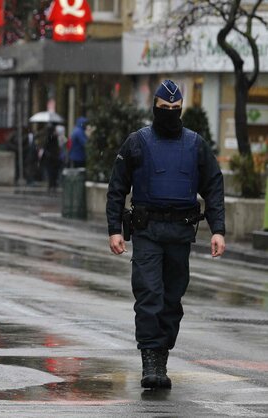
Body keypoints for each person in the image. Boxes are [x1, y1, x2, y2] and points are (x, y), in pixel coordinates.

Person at [106, 80, 226, 390]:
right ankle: (151, 361)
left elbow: (213, 186)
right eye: (164, 109)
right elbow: (117, 187)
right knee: (150, 295)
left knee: (172, 299)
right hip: (147, 232)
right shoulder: (137, 143)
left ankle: (161, 350)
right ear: (155, 109)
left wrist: (218, 230)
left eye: (175, 110)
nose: (170, 114)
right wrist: (114, 230)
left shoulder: (195, 145)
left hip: (180, 233)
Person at [40, 124, 61, 193]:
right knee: (53, 172)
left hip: (50, 158)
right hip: (54, 158)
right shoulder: (53, 137)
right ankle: (53, 185)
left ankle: (51, 185)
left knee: (50, 172)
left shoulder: (49, 137)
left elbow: (45, 147)